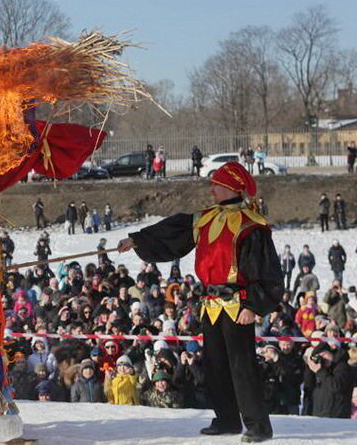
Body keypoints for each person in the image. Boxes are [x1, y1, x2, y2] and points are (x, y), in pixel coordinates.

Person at [117, 161, 282, 442]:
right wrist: (136, 240)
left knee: (242, 367)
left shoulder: (251, 226)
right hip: (211, 304)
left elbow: (264, 270)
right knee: (215, 365)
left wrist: (253, 306)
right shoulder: (204, 219)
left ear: (230, 187)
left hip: (237, 305)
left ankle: (258, 426)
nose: (212, 189)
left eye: (216, 184)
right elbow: (172, 231)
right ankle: (227, 419)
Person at [305, 343, 353, 418]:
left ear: (331, 352)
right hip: (319, 413)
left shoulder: (342, 366)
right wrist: (310, 367)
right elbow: (309, 386)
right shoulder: (321, 369)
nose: (323, 359)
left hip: (337, 414)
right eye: (319, 357)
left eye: (324, 355)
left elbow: (336, 386)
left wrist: (320, 371)